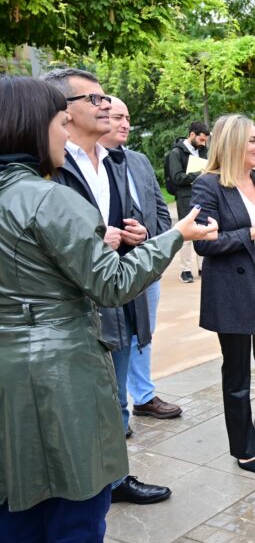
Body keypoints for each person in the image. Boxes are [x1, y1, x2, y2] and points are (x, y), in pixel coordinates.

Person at [0, 75, 217, 543]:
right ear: (35, 125)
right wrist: (176, 239)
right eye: (57, 121)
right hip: (61, 370)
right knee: (77, 506)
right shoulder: (47, 198)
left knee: (17, 498)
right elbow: (112, 283)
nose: (62, 134)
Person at [42, 68, 174, 506]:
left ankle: (115, 479)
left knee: (118, 396)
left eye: (106, 99)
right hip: (73, 305)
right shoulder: (50, 168)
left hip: (119, 292)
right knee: (79, 406)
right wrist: (91, 242)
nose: (106, 107)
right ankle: (78, 484)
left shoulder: (117, 161)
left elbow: (145, 214)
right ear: (64, 110)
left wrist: (136, 235)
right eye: (95, 100)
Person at [191, 114, 255, 473]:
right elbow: (204, 244)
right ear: (233, 142)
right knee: (236, 372)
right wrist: (253, 232)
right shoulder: (208, 186)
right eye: (252, 140)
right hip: (234, 287)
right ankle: (243, 444)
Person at [100, 97, 184, 423]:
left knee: (143, 333)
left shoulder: (139, 160)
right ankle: (117, 410)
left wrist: (149, 236)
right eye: (117, 117)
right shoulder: (83, 166)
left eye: (128, 117)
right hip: (110, 270)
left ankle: (144, 396)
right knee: (116, 339)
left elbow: (162, 213)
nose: (125, 123)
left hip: (146, 266)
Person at [165, 121, 209, 283]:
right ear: (192, 135)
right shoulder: (176, 153)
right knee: (187, 234)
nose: (203, 143)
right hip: (185, 197)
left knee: (203, 230)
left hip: (203, 194)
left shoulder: (204, 151)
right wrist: (199, 174)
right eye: (201, 140)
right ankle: (185, 270)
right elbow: (177, 177)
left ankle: (203, 266)